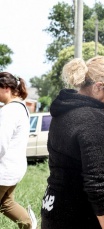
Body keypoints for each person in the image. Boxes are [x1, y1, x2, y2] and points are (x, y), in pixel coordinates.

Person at [40, 56, 104, 229]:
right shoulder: (93, 120)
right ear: (97, 87)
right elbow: (98, 182)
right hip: (83, 217)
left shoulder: (67, 110)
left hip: (56, 209)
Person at [0, 72, 36, 229]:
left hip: (4, 170)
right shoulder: (22, 107)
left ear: (6, 88)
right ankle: (29, 225)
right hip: (14, 168)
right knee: (5, 203)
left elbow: (1, 143)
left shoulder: (9, 111)